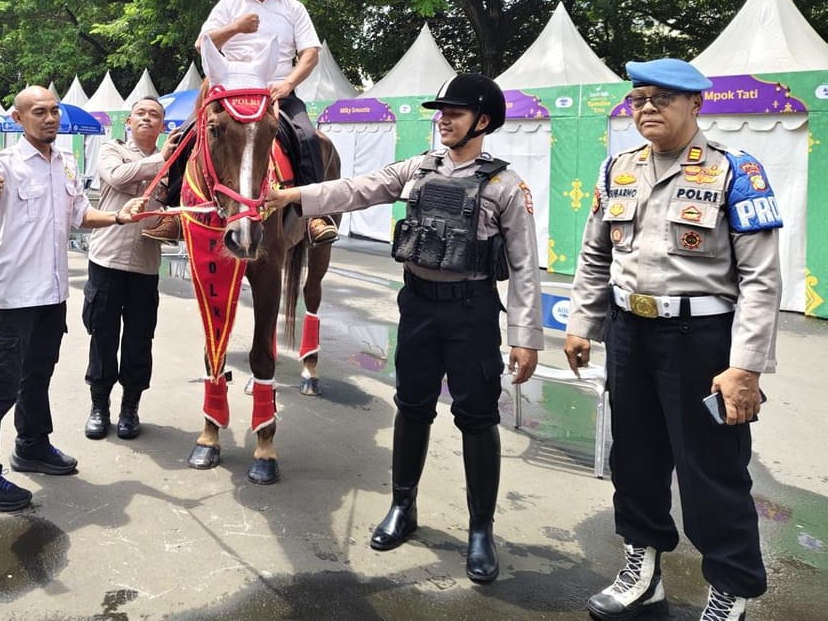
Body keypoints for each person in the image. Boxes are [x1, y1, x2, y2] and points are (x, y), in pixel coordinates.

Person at [266, 73, 541, 583]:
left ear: (482, 122)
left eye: (454, 113)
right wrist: (293, 197)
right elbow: (356, 188)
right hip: (417, 307)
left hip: (472, 311)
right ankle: (403, 508)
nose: (443, 119)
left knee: (477, 419)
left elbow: (525, 265)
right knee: (412, 408)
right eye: (441, 111)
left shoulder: (504, 186)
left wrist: (525, 336)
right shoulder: (418, 168)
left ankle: (481, 530)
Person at [564, 58, 780, 621]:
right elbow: (595, 255)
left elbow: (761, 279)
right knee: (634, 459)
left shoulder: (736, 171)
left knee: (712, 469)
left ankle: (728, 590)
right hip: (629, 333)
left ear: (696, 104)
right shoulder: (619, 168)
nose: (647, 108)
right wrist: (583, 323)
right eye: (639, 99)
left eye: (662, 98)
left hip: (703, 342)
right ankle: (643, 570)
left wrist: (746, 367)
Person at [0, 85, 148, 512]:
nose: (49, 118)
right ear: (18, 118)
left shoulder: (66, 164)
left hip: (53, 293)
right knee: (0, 385)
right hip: (14, 297)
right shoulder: (2, 165)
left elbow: (78, 215)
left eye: (54, 111)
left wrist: (119, 214)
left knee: (38, 375)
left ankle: (32, 446)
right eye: (39, 112)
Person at [146, 0, 337, 244]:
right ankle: (173, 213)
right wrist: (236, 27)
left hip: (274, 92)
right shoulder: (229, 5)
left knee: (308, 137)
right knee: (186, 136)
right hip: (228, 93)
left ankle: (313, 214)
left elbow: (310, 53)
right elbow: (202, 44)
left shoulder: (293, 9)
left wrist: (288, 83)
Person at [81, 96, 174, 440]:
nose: (148, 119)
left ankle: (130, 407)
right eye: (141, 113)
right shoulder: (112, 150)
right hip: (107, 260)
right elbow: (118, 177)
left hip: (146, 265)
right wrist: (161, 159)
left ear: (163, 126)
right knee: (102, 337)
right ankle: (99, 405)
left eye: (155, 116)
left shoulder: (171, 161)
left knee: (139, 339)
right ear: (129, 122)